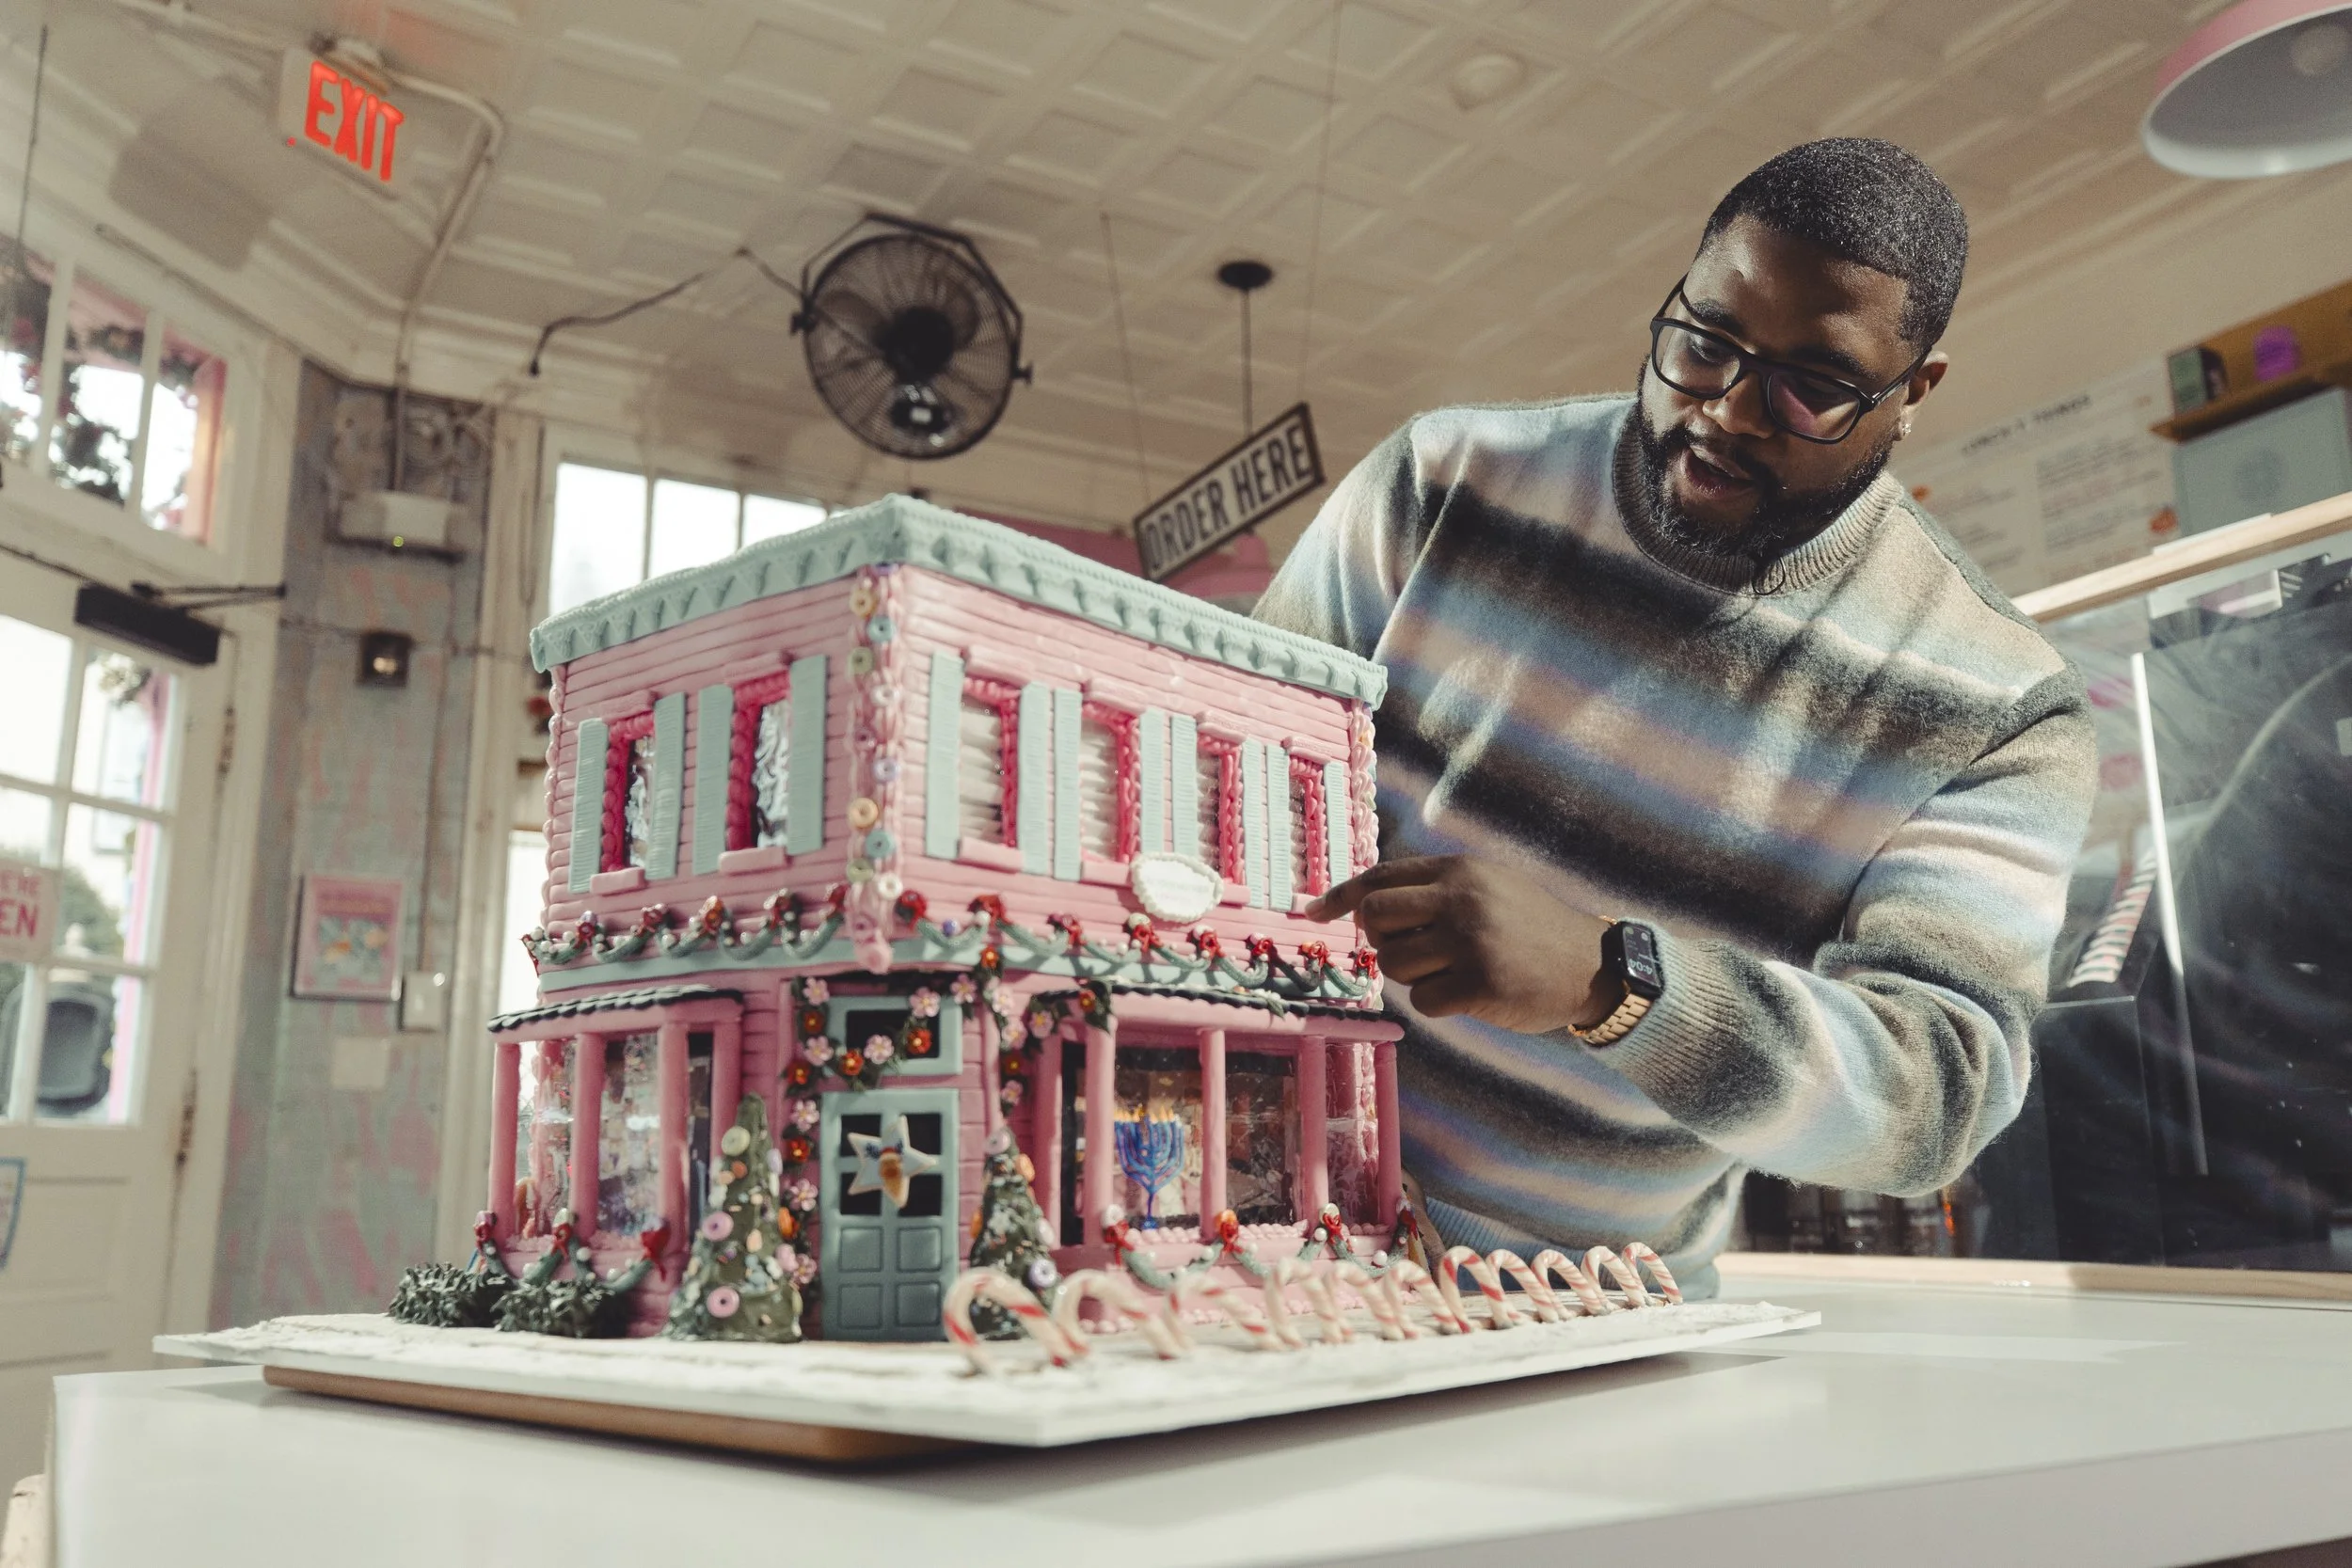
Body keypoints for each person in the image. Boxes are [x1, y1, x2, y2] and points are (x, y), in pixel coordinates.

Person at [1256, 137, 2096, 1298]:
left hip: (1586, 1304)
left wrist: (1614, 984)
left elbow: (1933, 1097)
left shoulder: (1998, 705)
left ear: (1913, 394)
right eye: (1703, 343)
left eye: (1813, 384)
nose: (1727, 411)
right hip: (1251, 1233)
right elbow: (1233, 781)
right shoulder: (1440, 482)